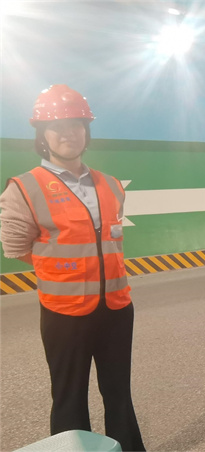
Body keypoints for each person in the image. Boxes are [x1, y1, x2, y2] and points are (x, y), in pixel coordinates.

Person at [0, 85, 145, 451]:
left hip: (116, 308)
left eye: (76, 125)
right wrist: (63, 270)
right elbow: (16, 248)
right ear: (42, 135)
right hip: (63, 313)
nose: (68, 133)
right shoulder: (24, 188)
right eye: (57, 126)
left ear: (86, 131)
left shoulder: (111, 185)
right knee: (69, 399)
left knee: (119, 395)